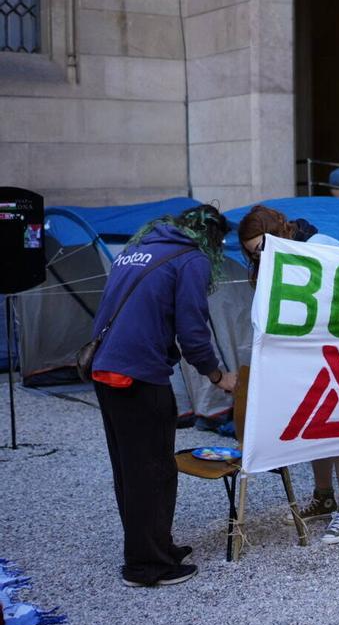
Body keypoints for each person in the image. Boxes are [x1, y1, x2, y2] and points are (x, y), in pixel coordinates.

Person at [91, 204, 238, 588]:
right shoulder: (191, 259)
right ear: (212, 238)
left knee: (130, 468)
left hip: (106, 368)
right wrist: (217, 375)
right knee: (153, 469)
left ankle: (155, 545)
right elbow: (192, 330)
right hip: (139, 375)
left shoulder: (137, 250)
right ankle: (147, 566)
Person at [237, 205, 339, 544]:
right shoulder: (281, 256)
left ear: (278, 233)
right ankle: (325, 496)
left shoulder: (323, 245)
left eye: (261, 249)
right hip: (307, 354)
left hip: (338, 351)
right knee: (314, 425)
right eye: (253, 254)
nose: (259, 258)